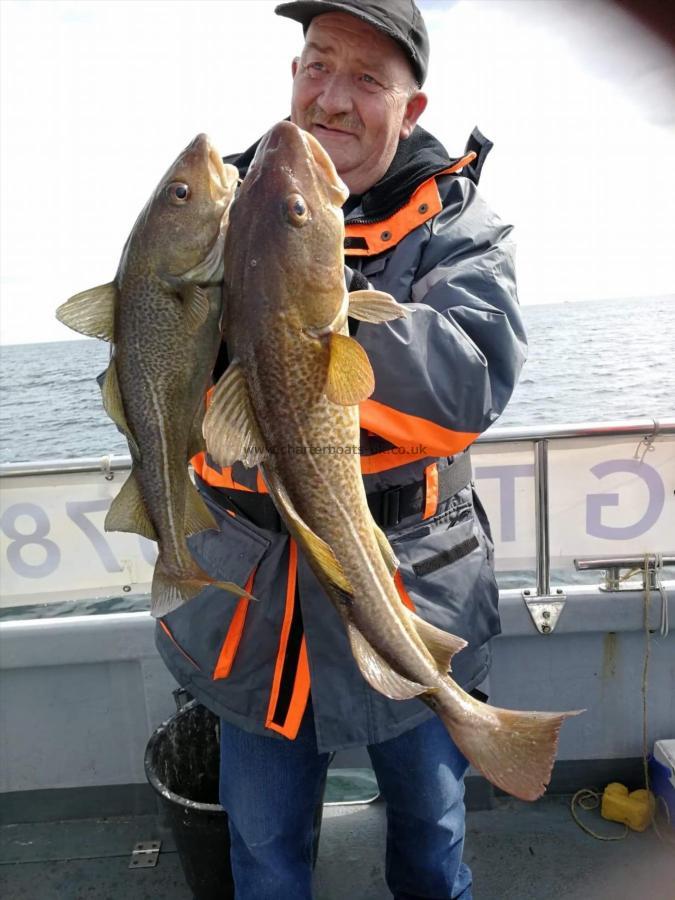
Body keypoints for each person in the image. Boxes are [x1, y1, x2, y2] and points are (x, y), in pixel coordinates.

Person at [155, 1, 527, 898]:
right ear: (292, 74)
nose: (330, 95)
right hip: (252, 599)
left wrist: (305, 318)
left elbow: (472, 380)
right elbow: (149, 341)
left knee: (432, 847)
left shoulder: (459, 223)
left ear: (413, 106)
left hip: (411, 574)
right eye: (316, 64)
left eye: (368, 78)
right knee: (265, 855)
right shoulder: (219, 204)